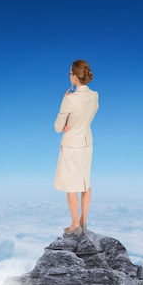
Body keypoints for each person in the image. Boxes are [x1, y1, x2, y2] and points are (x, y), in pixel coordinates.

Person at [53, 59, 99, 235]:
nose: (69, 76)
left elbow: (57, 127)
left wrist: (66, 123)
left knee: (71, 186)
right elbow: (90, 115)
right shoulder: (94, 95)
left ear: (74, 76)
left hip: (72, 143)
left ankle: (74, 225)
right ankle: (83, 221)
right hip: (86, 141)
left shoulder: (69, 99)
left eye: (70, 73)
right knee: (85, 182)